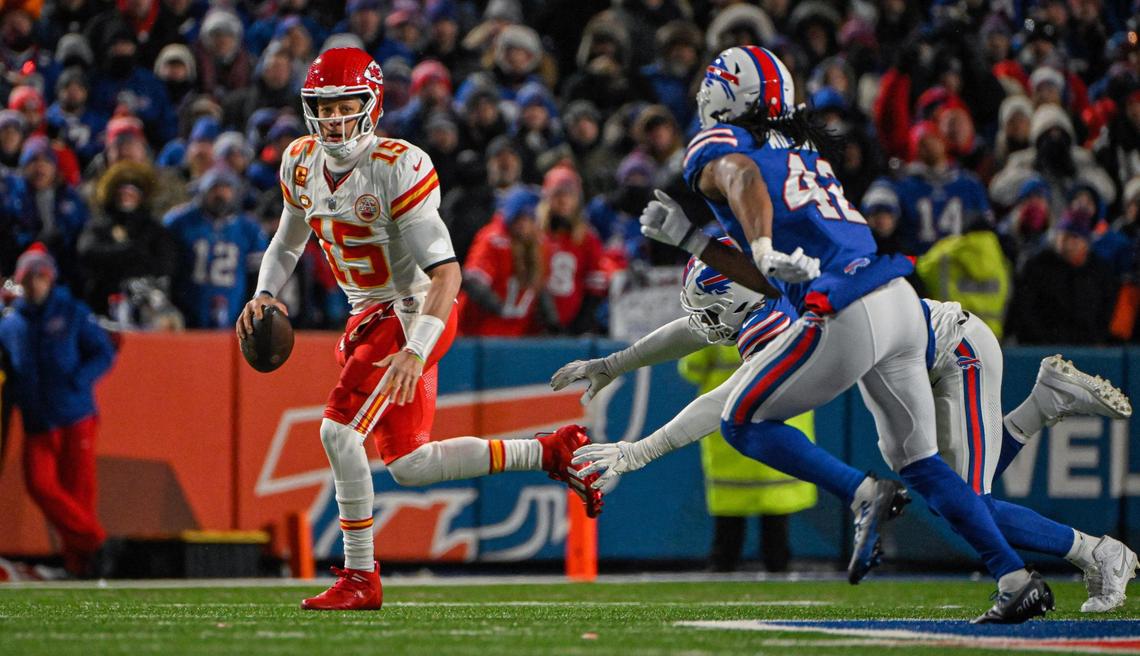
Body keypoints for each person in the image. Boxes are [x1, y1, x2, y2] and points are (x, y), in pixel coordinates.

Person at [633, 45, 1052, 623]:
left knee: (741, 420)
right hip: (900, 300)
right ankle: (1014, 577)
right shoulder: (798, 147)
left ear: (728, 95)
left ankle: (860, 492)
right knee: (921, 463)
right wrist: (696, 243)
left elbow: (741, 175)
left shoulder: (720, 148)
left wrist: (756, 244)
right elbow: (774, 277)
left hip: (851, 309)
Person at [557, 256, 1136, 613]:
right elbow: (692, 330)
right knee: (955, 501)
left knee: (967, 506)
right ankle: (1044, 406)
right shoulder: (767, 293)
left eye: (714, 312)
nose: (707, 326)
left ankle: (1099, 552)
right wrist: (618, 362)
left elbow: (725, 403)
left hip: (954, 354)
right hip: (921, 352)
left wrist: (641, 449)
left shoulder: (773, 320)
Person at [236, 48, 601, 611]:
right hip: (368, 315)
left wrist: (414, 348)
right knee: (410, 464)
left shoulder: (396, 164)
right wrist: (263, 293)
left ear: (371, 104)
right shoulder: (300, 162)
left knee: (337, 433)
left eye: (346, 105)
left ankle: (361, 576)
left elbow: (448, 274)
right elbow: (288, 240)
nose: (334, 119)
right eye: (324, 107)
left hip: (414, 308)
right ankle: (551, 452)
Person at [0, 244, 116, 577]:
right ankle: (95, 542)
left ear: (50, 279)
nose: (35, 283)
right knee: (41, 485)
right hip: (38, 420)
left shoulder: (70, 312)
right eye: (29, 277)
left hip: (74, 416)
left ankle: (80, 564)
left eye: (41, 276)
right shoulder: (10, 324)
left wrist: (79, 381)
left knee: (78, 494)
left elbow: (102, 352)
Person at [678, 343, 817, 574]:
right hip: (782, 421)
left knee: (728, 532)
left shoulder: (719, 315)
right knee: (777, 531)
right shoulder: (798, 311)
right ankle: (778, 569)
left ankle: (722, 567)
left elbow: (692, 368)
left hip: (733, 423)